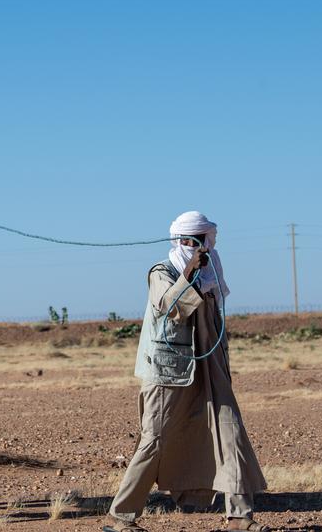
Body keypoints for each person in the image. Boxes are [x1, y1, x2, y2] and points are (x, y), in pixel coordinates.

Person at [107, 211, 268, 532]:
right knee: (155, 440)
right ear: (186, 240)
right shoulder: (162, 271)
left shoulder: (211, 274)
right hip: (170, 372)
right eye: (202, 240)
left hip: (210, 369)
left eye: (209, 240)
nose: (208, 246)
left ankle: (240, 517)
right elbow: (170, 306)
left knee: (230, 434)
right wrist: (190, 272)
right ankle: (120, 517)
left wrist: (202, 273)